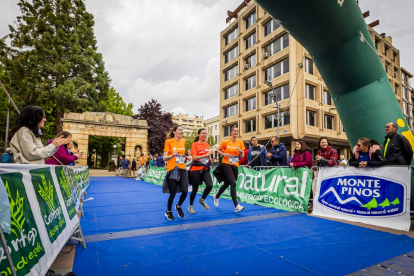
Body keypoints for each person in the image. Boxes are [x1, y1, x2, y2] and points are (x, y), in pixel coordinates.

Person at [213, 126, 245, 213]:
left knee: (227, 184)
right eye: (234, 131)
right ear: (231, 133)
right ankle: (236, 206)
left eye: (237, 131)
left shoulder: (240, 142)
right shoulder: (226, 142)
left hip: (235, 165)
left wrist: (240, 151)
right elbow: (218, 150)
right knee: (233, 184)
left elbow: (242, 156)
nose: (236, 132)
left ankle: (216, 196)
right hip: (226, 164)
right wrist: (224, 154)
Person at [163, 125, 188, 220]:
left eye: (182, 130)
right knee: (172, 193)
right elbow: (164, 157)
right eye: (179, 130)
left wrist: (186, 157)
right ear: (174, 132)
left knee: (185, 191)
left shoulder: (183, 141)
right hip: (172, 169)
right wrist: (172, 155)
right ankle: (168, 211)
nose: (181, 131)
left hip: (182, 168)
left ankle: (178, 206)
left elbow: (181, 155)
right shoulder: (169, 141)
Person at [187, 128, 215, 214]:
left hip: (205, 169)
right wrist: (205, 154)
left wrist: (209, 158)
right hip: (195, 169)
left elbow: (206, 157)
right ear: (198, 134)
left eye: (206, 134)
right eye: (203, 133)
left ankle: (202, 200)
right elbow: (194, 157)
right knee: (195, 189)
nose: (204, 135)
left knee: (210, 185)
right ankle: (190, 206)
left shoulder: (207, 145)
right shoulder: (194, 144)